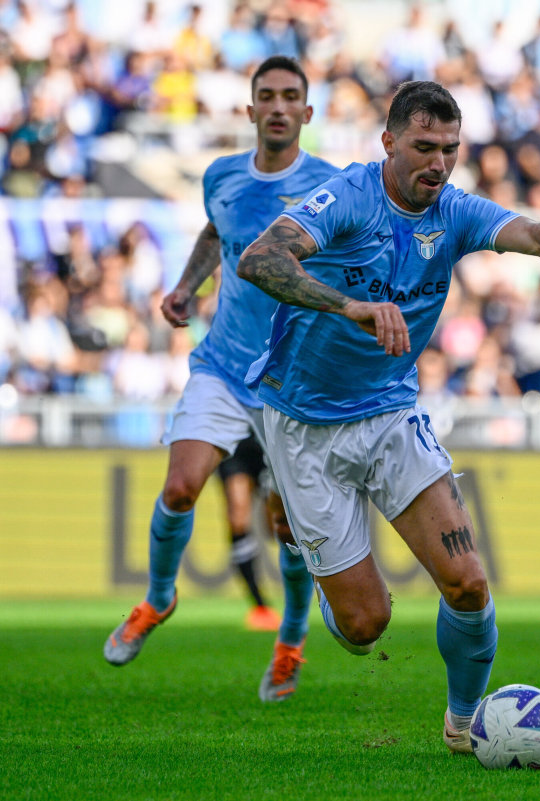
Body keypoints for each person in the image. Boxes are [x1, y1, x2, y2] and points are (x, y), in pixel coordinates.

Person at [236, 80, 540, 752]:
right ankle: (309, 552)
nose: (438, 163)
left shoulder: (456, 211)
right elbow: (259, 258)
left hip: (390, 411)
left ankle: (465, 723)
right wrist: (349, 307)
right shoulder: (349, 197)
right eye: (423, 147)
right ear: (389, 142)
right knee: (364, 627)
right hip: (303, 423)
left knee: (468, 583)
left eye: (449, 148)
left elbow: (532, 233)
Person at [103, 56, 341, 705]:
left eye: (290, 96)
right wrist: (187, 285)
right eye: (268, 96)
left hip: (292, 382)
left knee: (287, 526)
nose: (279, 107)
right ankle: (158, 597)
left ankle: (290, 640)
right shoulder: (222, 176)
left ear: (307, 112)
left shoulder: (331, 185)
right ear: (250, 109)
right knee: (181, 486)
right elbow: (217, 232)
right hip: (226, 366)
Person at [218, 434, 283, 632]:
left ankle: (299, 602)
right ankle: (260, 605)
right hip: (235, 440)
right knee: (238, 519)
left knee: (277, 527)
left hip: (266, 440)